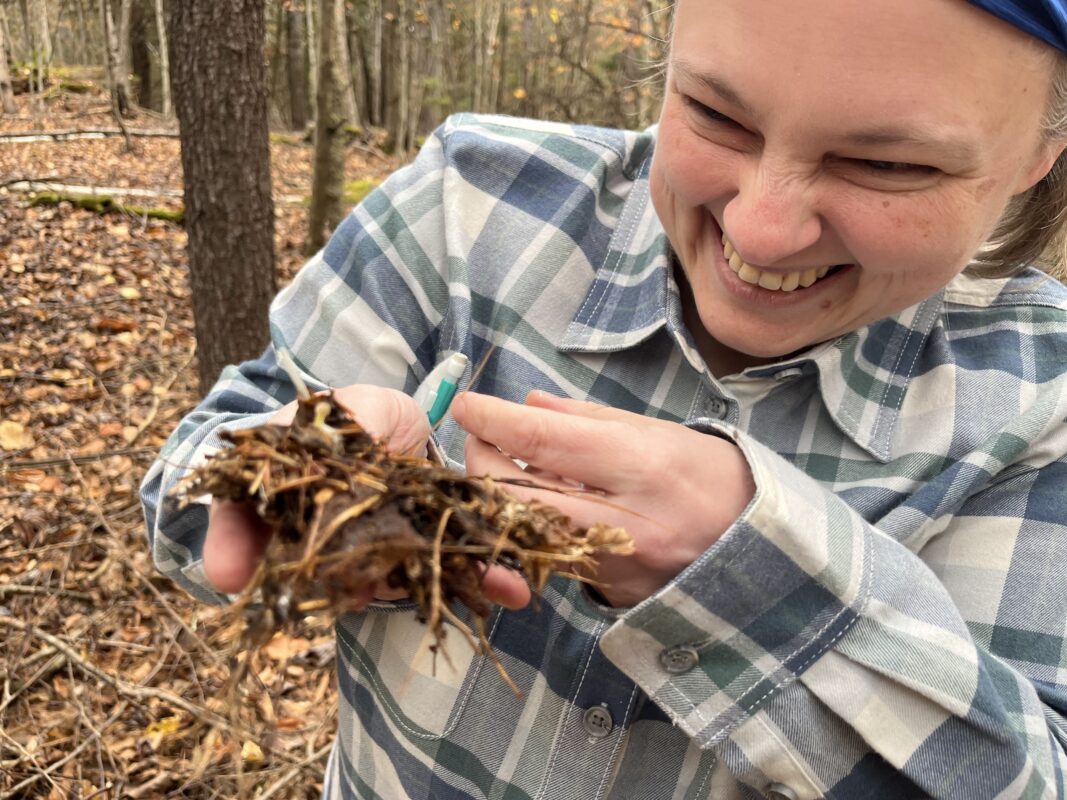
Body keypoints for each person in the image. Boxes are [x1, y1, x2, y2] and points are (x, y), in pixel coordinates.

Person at [142, 0, 1067, 796]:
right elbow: (191, 487)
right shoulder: (470, 207)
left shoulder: (1037, 399)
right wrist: (301, 487)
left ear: (1040, 151)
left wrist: (750, 577)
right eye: (712, 113)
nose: (762, 226)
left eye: (889, 167)